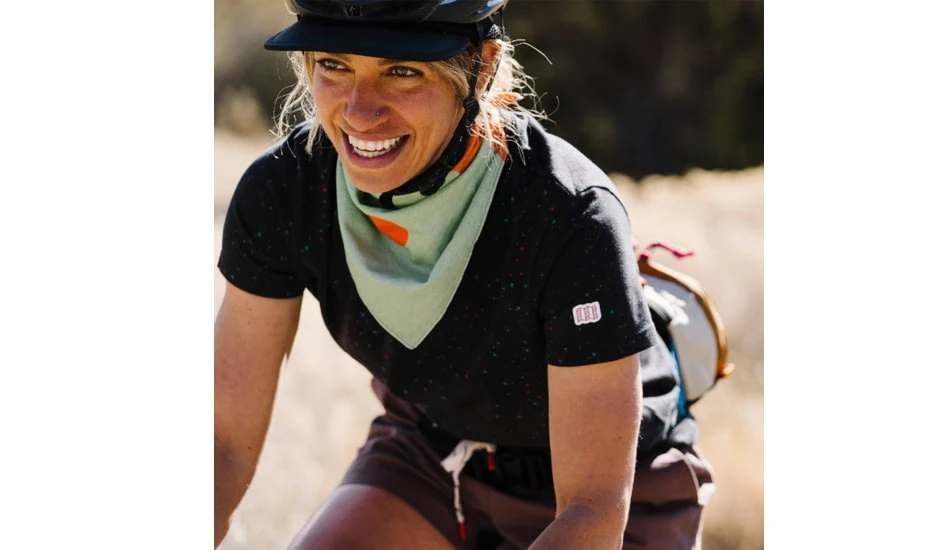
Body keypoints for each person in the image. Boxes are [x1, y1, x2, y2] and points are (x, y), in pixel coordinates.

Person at [214, 1, 715, 548]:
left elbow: (592, 509)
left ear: (482, 67)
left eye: (402, 71)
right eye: (334, 65)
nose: (359, 111)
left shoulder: (570, 214)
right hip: (433, 455)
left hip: (615, 487)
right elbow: (222, 445)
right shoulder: (284, 192)